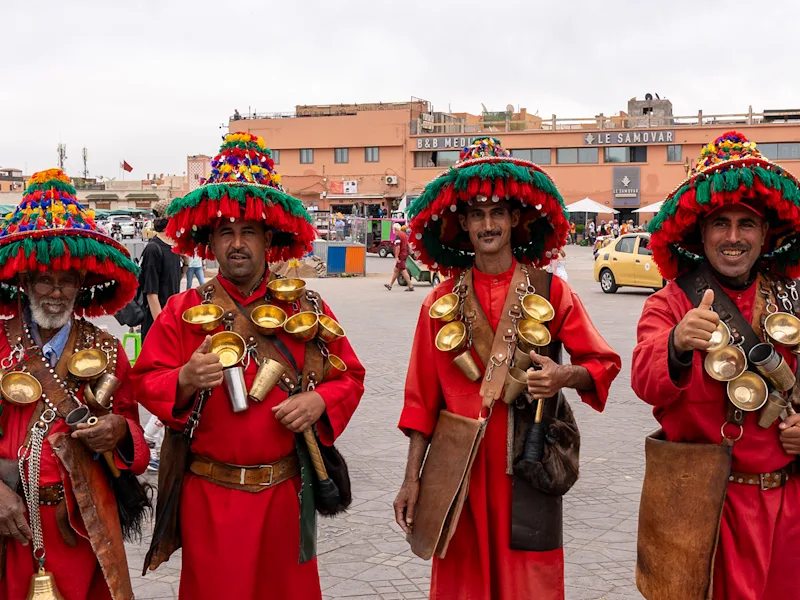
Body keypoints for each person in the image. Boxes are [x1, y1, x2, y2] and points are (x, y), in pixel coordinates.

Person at [131, 132, 365, 600]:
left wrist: (320, 400)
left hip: (285, 497)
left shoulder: (307, 307)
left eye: (248, 232)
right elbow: (144, 380)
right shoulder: (182, 309)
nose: (237, 244)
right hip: (209, 501)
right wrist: (183, 379)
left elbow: (351, 377)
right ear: (209, 241)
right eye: (225, 232)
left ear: (268, 239)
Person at [394, 138, 621, 600]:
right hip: (456, 472)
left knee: (529, 586)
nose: (488, 223)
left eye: (498, 212)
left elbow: (601, 362)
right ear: (462, 223)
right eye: (476, 214)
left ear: (516, 219)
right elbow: (421, 401)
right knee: (462, 587)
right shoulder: (437, 303)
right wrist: (411, 479)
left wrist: (564, 376)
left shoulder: (552, 291)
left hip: (527, 460)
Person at [632, 132, 800, 600]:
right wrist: (677, 344)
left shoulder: (793, 298)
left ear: (765, 234)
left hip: (790, 509)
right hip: (705, 510)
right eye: (720, 224)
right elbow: (645, 378)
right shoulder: (668, 303)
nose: (733, 237)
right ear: (699, 233)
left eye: (746, 224)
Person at [0, 169, 148, 600]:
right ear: (24, 282)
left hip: (81, 524)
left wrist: (118, 431)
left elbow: (133, 433)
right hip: (9, 521)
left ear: (82, 286)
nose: (56, 291)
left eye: (68, 281)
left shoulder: (105, 349)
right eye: (45, 278)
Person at [139, 199, 182, 341]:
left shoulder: (173, 248)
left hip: (170, 319)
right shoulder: (153, 249)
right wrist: (162, 326)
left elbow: (172, 282)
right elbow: (151, 293)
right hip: (157, 326)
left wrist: (185, 263)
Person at [384, 222, 414, 291]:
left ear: (395, 229)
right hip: (405, 253)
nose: (393, 231)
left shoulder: (398, 236)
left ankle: (410, 286)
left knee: (403, 270)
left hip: (401, 255)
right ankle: (390, 285)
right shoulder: (404, 235)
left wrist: (396, 256)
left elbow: (398, 247)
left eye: (393, 229)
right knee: (396, 270)